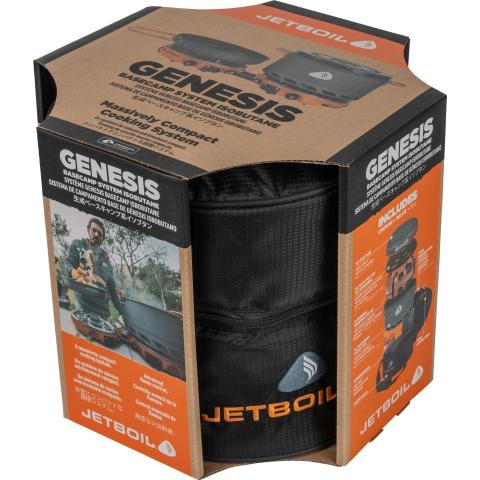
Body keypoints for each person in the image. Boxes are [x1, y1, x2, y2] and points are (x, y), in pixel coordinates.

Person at [66, 217, 123, 322]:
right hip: (82, 308)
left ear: (102, 239)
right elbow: (69, 264)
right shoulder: (77, 244)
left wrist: (122, 312)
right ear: (88, 229)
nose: (96, 234)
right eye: (94, 230)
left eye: (100, 234)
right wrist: (73, 271)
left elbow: (112, 290)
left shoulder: (107, 260)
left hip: (104, 315)